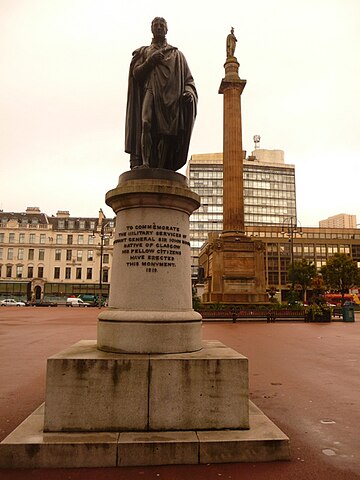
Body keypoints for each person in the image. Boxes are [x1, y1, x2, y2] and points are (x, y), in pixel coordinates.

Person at [125, 17, 197, 170]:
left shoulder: (177, 55)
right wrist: (150, 61)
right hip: (150, 90)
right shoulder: (144, 52)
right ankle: (144, 163)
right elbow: (136, 74)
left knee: (166, 133)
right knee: (145, 123)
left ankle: (162, 168)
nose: (158, 27)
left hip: (171, 98)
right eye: (156, 25)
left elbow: (188, 80)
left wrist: (188, 93)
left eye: (161, 25)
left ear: (166, 29)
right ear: (151, 28)